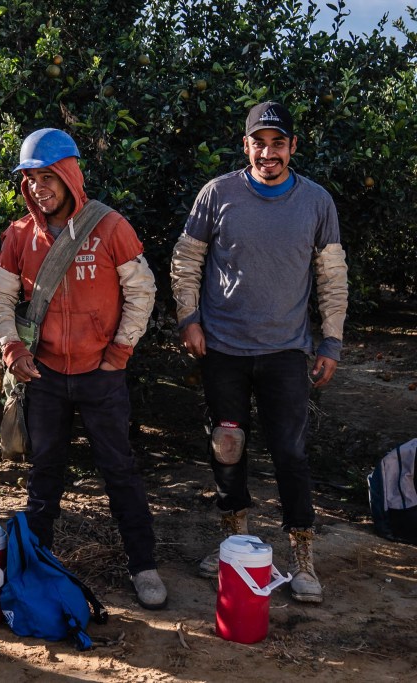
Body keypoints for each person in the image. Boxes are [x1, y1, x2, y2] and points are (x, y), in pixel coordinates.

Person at [170, 102, 348, 603]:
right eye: (259, 142)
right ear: (245, 145)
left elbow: (331, 277)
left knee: (290, 452)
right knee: (228, 446)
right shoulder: (218, 194)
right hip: (224, 346)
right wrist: (189, 318)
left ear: (292, 147)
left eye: (278, 143)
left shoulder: (317, 202)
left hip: (286, 350)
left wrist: (330, 340)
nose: (268, 152)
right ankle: (232, 540)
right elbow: (187, 258)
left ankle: (302, 555)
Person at [0, 128, 166, 609]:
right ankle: (36, 564)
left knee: (119, 471)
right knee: (45, 473)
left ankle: (143, 566)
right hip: (44, 378)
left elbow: (141, 291)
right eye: (30, 179)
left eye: (48, 177)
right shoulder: (20, 235)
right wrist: (13, 349)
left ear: (69, 175)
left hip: (100, 377)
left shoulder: (109, 226)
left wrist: (119, 353)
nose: (39, 188)